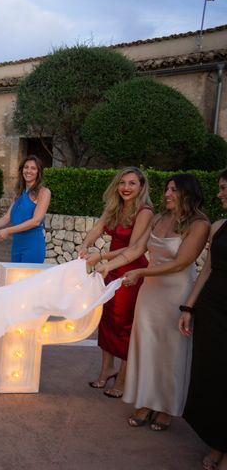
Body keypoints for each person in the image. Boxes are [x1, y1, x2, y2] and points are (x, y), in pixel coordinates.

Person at [98, 174, 210, 432]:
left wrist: (140, 273)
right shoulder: (159, 218)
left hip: (177, 295)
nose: (168, 194)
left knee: (170, 351)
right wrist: (107, 265)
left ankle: (166, 408)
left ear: (188, 193)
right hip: (150, 294)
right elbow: (136, 249)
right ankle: (146, 402)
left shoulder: (199, 224)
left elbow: (182, 262)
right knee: (146, 348)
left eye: (174, 190)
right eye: (167, 189)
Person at [78, 167, 153, 398]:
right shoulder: (115, 206)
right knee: (106, 319)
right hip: (109, 270)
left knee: (123, 324)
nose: (126, 188)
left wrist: (100, 257)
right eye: (122, 183)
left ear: (141, 187)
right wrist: (85, 246)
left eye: (132, 183)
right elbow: (98, 228)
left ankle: (122, 377)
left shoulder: (145, 211)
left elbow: (133, 248)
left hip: (129, 271)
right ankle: (106, 369)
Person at [179, 169, 227, 470]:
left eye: (224, 188)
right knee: (212, 377)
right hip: (213, 308)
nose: (220, 194)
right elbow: (206, 269)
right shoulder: (219, 226)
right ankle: (218, 442)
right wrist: (189, 308)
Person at [0, 155, 51, 263]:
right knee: (16, 280)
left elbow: (35, 221)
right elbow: (8, 216)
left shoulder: (44, 192)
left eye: (33, 168)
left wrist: (7, 230)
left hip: (32, 246)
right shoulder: (18, 193)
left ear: (39, 172)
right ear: (22, 170)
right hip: (16, 246)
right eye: (26, 167)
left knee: (29, 280)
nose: (28, 171)